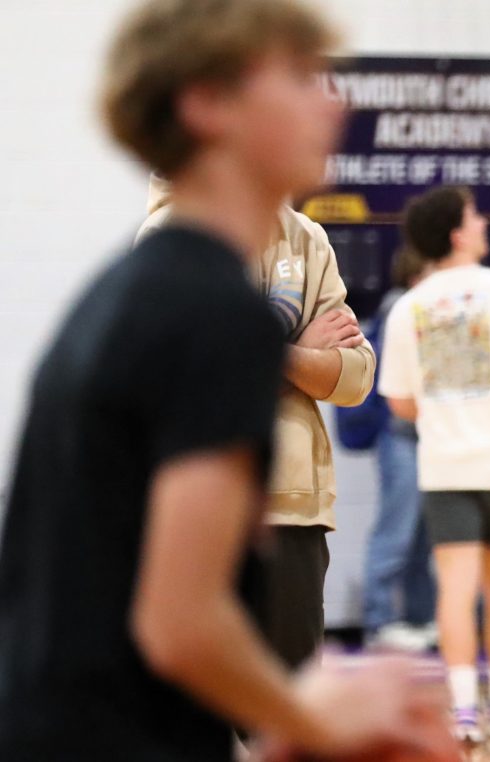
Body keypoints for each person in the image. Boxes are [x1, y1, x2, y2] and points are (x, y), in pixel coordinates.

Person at [0, 2, 455, 760]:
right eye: (300, 77)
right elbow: (179, 625)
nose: (331, 101)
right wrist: (322, 715)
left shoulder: (148, 287)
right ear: (207, 103)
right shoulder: (208, 307)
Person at [140, 173, 375, 670]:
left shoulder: (307, 237)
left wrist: (265, 356)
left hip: (295, 508)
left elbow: (355, 377)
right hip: (205, 502)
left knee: (290, 710)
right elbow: (195, 371)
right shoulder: (172, 233)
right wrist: (301, 352)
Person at [378, 186, 490, 743]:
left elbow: (398, 401)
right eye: (473, 214)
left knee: (453, 588)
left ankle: (463, 708)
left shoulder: (408, 307)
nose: (483, 220)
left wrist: (446, 407)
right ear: (456, 232)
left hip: (444, 465)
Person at [363, 248, 438, 652]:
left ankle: (419, 617)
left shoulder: (420, 307)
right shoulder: (401, 308)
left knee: (421, 535)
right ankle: (379, 620)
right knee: (396, 531)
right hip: (401, 433)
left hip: (425, 434)